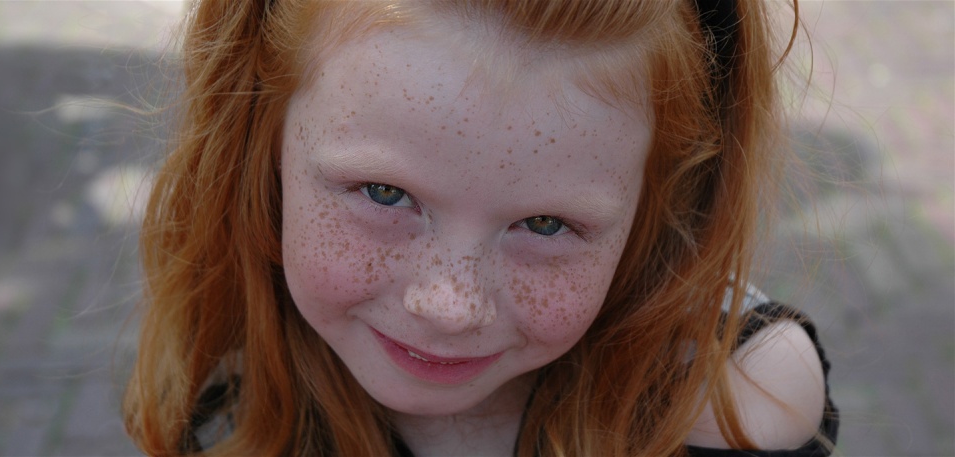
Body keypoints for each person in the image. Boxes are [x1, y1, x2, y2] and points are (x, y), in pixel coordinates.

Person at [123, 0, 838, 455]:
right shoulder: (236, 392)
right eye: (384, 192)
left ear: (661, 197)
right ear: (262, 139)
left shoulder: (737, 403)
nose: (449, 303)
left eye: (546, 223)